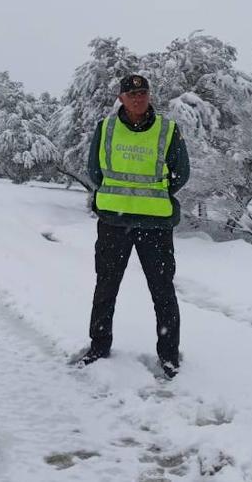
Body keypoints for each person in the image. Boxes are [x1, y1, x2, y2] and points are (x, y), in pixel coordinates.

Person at [78, 74, 189, 378]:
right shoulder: (106, 128)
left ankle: (169, 356)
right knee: (106, 288)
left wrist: (156, 194)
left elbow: (181, 172)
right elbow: (95, 170)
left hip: (155, 225)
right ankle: (99, 347)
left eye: (143, 93)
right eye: (132, 94)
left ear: (149, 96)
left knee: (163, 292)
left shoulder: (167, 129)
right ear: (121, 98)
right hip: (114, 222)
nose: (139, 98)